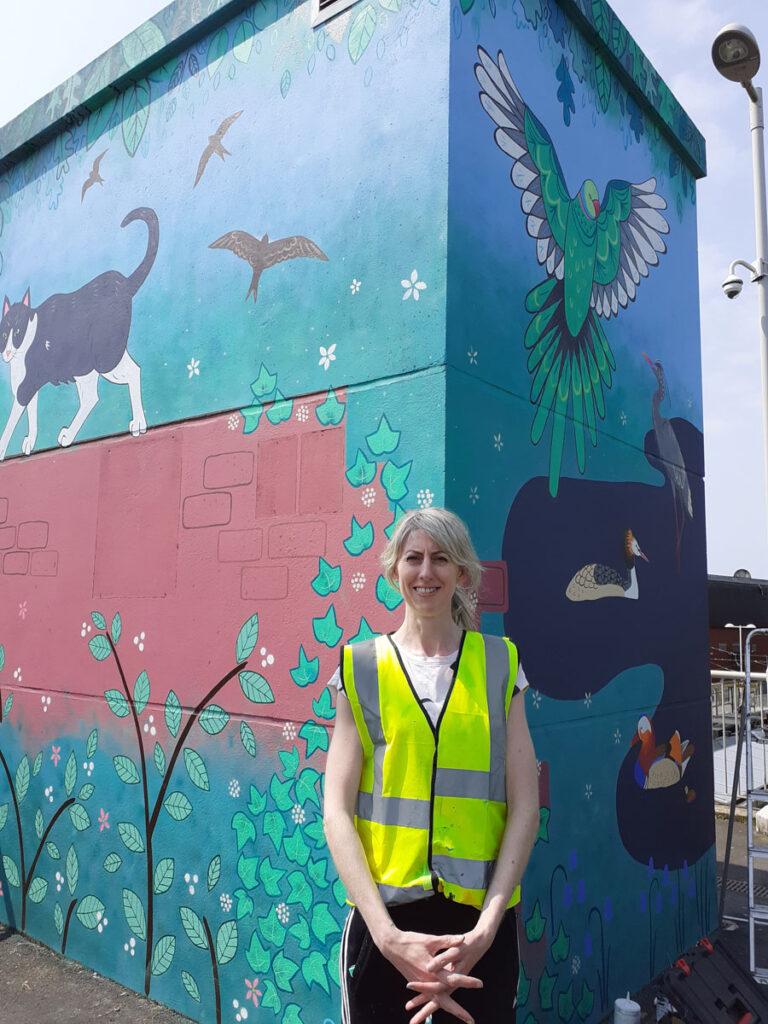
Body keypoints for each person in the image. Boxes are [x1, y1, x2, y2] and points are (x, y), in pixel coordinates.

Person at [323, 507, 540, 1024]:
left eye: (442, 559)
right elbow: (336, 811)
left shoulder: (500, 664)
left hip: (478, 931)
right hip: (386, 925)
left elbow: (525, 807)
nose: (426, 573)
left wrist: (486, 929)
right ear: (394, 569)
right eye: (413, 558)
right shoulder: (360, 667)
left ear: (462, 572)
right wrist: (388, 937)